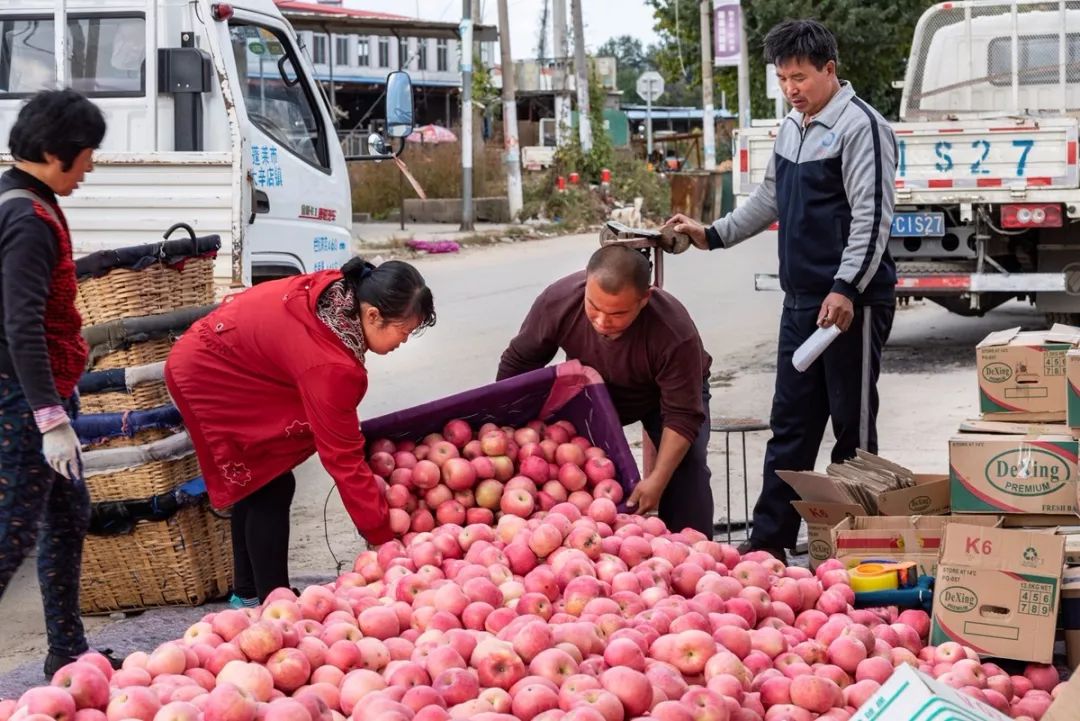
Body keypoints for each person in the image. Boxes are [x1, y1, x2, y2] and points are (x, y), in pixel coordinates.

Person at [666, 19, 898, 561]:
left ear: (830, 70)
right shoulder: (793, 126)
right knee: (790, 425)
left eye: (800, 77)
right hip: (801, 304)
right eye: (783, 78)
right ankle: (768, 543)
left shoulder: (862, 127)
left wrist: (845, 289)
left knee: (852, 432)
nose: (792, 88)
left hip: (849, 305)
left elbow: (872, 219)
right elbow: (768, 199)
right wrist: (713, 234)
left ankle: (856, 546)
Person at [165, 259, 435, 605]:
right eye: (403, 330)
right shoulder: (331, 365)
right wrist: (383, 538)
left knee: (259, 479)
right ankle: (274, 603)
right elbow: (343, 459)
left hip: (222, 355)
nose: (404, 340)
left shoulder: (340, 294)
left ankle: (247, 593)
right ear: (371, 316)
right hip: (209, 375)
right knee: (270, 483)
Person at [0, 88, 116, 676]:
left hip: (40, 396)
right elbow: (20, 325)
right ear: (52, 151)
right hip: (21, 402)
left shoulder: (26, 199)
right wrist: (49, 417)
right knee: (9, 536)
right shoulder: (26, 217)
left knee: (67, 516)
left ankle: (66, 651)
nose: (90, 165)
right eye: (86, 153)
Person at [497, 245, 714, 537]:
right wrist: (500, 426)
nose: (601, 321)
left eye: (617, 313)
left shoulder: (674, 333)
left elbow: (683, 415)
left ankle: (693, 554)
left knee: (686, 469)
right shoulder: (559, 300)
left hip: (664, 398)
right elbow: (519, 361)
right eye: (593, 307)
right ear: (586, 283)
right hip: (593, 389)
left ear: (644, 299)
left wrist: (657, 480)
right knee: (574, 468)